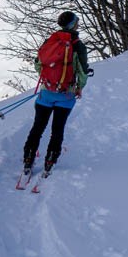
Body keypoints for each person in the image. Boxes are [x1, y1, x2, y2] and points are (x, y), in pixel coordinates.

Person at [22, 11, 90, 178]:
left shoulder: (50, 41)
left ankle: (28, 160)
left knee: (37, 127)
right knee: (57, 129)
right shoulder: (77, 45)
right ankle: (50, 161)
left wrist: (49, 81)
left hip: (46, 93)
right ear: (73, 24)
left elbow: (39, 65)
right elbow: (82, 71)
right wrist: (79, 86)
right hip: (66, 94)